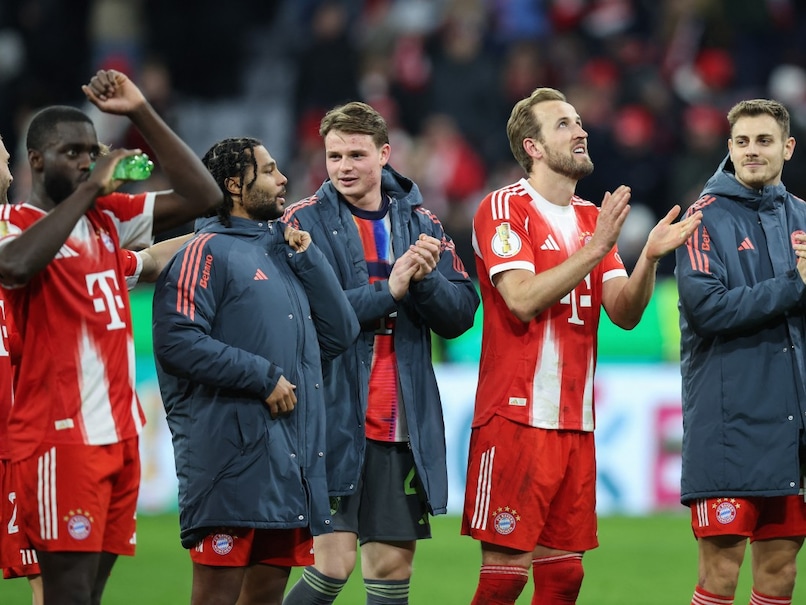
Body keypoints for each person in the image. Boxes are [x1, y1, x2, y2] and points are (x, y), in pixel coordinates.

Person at [461, 86, 702, 605]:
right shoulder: (504, 209)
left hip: (576, 419)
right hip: (516, 416)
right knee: (505, 576)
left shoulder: (594, 218)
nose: (581, 130)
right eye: (564, 124)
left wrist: (650, 258)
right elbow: (521, 299)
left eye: (578, 121)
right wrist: (596, 250)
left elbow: (624, 312)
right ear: (534, 146)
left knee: (565, 575)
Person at [0, 69, 221, 605]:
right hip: (59, 439)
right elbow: (16, 266)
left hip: (119, 438)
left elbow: (203, 194)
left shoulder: (105, 220)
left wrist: (140, 111)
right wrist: (93, 187)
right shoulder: (14, 221)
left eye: (92, 151)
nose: (86, 162)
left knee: (91, 594)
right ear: (36, 162)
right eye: (72, 153)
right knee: (66, 595)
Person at [282, 101, 479, 605]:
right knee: (332, 563)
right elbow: (305, 317)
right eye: (333, 156)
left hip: (399, 422)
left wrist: (426, 278)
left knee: (391, 567)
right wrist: (389, 290)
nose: (344, 167)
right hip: (329, 421)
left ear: (385, 153)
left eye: (356, 154)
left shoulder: (422, 222)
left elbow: (460, 316)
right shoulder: (301, 225)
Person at [152, 136, 359, 605]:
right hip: (229, 466)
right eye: (268, 171)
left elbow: (340, 333)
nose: (283, 179)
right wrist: (262, 376)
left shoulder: (283, 251)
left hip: (288, 465)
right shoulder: (202, 251)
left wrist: (309, 259)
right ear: (234, 186)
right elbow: (176, 340)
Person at [676, 99, 806, 605]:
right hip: (728, 428)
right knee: (720, 575)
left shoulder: (802, 217)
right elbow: (709, 309)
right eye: (743, 142)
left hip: (792, 431)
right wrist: (795, 285)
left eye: (764, 141)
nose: (752, 151)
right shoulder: (702, 219)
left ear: (787, 148)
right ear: (729, 148)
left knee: (780, 574)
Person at [0, 134, 42, 605]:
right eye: (4, 160)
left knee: (51, 578)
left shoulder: (28, 234)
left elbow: (141, 261)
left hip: (18, 444)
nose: (12, 172)